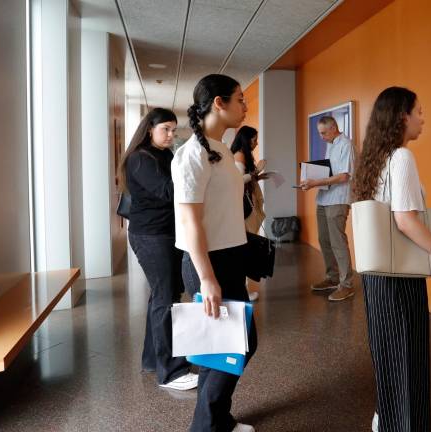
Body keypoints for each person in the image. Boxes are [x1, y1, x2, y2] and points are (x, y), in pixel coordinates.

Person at [352, 87, 431, 432]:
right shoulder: (401, 158)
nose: (423, 118)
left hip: (376, 274)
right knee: (407, 353)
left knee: (388, 352)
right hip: (399, 276)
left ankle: (387, 417)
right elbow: (405, 221)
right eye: (419, 111)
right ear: (402, 116)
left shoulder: (374, 157)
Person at [172, 73, 257, 432]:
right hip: (208, 261)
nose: (245, 106)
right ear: (218, 103)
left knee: (220, 346)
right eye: (240, 99)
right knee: (238, 343)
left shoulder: (219, 148)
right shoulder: (191, 154)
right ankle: (207, 425)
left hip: (229, 256)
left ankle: (217, 419)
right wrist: (206, 278)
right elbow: (190, 223)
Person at [118, 108, 198, 390]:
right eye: (166, 128)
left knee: (164, 296)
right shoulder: (140, 158)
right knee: (166, 299)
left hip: (166, 233)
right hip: (150, 236)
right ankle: (171, 373)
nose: (170, 135)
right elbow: (168, 191)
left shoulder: (164, 155)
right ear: (149, 128)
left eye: (173, 130)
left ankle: (153, 359)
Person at [300, 116, 357, 302]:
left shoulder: (346, 145)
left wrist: (316, 181)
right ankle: (333, 278)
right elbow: (330, 173)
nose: (321, 136)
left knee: (337, 242)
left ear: (334, 128)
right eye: (319, 133)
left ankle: (346, 285)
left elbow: (343, 176)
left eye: (323, 132)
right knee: (324, 239)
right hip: (324, 198)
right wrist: (313, 178)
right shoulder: (330, 144)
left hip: (338, 199)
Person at [231, 126, 267, 302]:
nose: (256, 143)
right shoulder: (239, 155)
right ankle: (243, 290)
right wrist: (256, 172)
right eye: (254, 140)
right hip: (243, 208)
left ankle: (243, 289)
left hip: (246, 206)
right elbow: (237, 180)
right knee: (244, 247)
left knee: (246, 247)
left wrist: (257, 177)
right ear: (246, 140)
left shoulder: (242, 155)